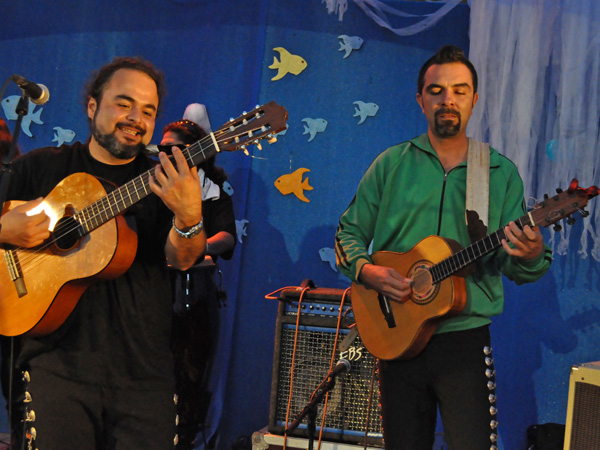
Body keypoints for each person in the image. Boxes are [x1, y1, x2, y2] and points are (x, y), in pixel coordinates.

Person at [335, 45, 552, 450]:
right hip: (397, 339)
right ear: (420, 100)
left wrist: (531, 253)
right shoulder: (391, 164)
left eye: (459, 90)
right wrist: (370, 273)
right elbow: (347, 235)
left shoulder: (499, 172)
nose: (447, 99)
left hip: (464, 341)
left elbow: (519, 267)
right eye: (436, 90)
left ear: (474, 99)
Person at [0, 56, 206, 450]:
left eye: (148, 111)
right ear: (93, 106)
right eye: (123, 103)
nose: (136, 118)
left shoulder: (163, 181)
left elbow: (182, 258)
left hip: (144, 373)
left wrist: (189, 215)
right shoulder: (39, 168)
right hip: (54, 365)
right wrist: (4, 228)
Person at [160, 118, 236, 449]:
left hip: (191, 288)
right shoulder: (148, 183)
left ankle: (183, 437)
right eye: (160, 148)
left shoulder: (213, 192)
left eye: (171, 149)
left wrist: (195, 244)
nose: (162, 154)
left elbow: (227, 237)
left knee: (186, 376)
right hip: (150, 288)